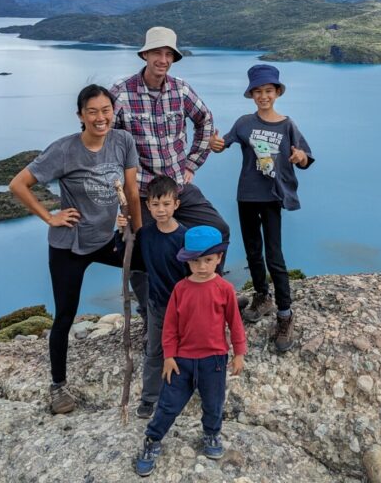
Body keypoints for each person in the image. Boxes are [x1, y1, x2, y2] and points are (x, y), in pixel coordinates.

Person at [9, 84, 143, 415]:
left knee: (153, 262)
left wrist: (138, 234)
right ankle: (57, 386)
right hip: (69, 246)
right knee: (65, 316)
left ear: (114, 111)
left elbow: (132, 191)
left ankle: (162, 326)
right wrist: (49, 217)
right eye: (93, 111)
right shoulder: (65, 150)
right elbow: (18, 184)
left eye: (106, 110)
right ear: (81, 116)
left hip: (106, 240)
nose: (101, 117)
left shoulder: (122, 141)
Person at [209, 64, 313, 353]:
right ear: (251, 94)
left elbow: (304, 158)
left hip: (271, 197)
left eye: (268, 90)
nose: (263, 96)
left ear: (277, 92)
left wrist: (300, 156)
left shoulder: (287, 125)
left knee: (274, 256)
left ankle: (284, 314)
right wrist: (215, 143)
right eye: (258, 91)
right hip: (247, 196)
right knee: (253, 251)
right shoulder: (244, 123)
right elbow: (223, 144)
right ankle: (262, 296)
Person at [111, 27, 230, 274]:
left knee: (217, 230)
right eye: (157, 52)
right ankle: (150, 309)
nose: (163, 60)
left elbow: (205, 120)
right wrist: (119, 191)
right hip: (142, 192)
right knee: (141, 248)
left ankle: (209, 292)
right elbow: (105, 143)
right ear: (145, 55)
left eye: (168, 54)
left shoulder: (181, 90)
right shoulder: (121, 93)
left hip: (177, 186)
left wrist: (191, 164)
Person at [135, 226, 246, 477]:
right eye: (196, 260)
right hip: (182, 360)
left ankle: (211, 434)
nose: (202, 266)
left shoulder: (225, 289)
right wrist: (169, 356)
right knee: (168, 404)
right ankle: (152, 440)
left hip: (214, 359)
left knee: (213, 402)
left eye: (208, 260)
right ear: (187, 260)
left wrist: (239, 352)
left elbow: (235, 323)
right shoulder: (181, 289)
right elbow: (171, 327)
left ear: (219, 258)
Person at [135, 175, 189, 420]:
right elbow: (130, 257)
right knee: (154, 351)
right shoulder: (145, 234)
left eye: (166, 204)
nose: (161, 209)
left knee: (187, 350)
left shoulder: (185, 237)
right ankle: (149, 398)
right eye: (155, 204)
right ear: (148, 206)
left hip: (184, 307)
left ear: (176, 204)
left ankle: (185, 390)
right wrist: (121, 228)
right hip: (157, 306)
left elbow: (194, 274)